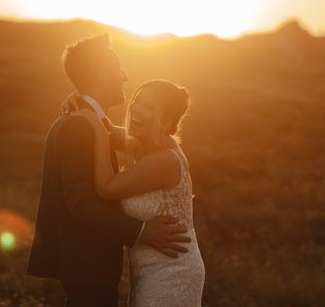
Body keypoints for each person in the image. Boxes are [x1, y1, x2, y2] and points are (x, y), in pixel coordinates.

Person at [27, 34, 191, 307]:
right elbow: (80, 204)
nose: (125, 76)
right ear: (102, 75)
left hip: (98, 267)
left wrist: (83, 105)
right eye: (118, 69)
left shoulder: (86, 122)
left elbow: (111, 135)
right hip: (88, 265)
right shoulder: (78, 127)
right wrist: (141, 232)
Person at [72, 79, 205, 306]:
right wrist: (82, 103)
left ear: (166, 121)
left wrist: (93, 126)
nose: (137, 108)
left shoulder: (164, 160)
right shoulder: (145, 144)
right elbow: (111, 132)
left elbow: (106, 188)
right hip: (148, 270)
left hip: (173, 271)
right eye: (138, 101)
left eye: (150, 107)